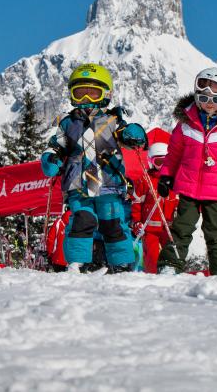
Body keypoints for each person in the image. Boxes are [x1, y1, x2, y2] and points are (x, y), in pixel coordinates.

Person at [40, 63, 147, 273]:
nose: (86, 100)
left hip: (109, 182)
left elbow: (132, 137)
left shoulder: (113, 120)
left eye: (92, 93)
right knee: (81, 220)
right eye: (79, 94)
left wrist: (134, 134)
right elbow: (56, 146)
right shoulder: (67, 123)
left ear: (105, 94)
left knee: (113, 223)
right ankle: (77, 263)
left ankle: (122, 264)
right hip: (78, 184)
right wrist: (51, 159)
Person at [156, 67, 217, 276]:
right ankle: (170, 265)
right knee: (182, 226)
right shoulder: (186, 123)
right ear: (196, 96)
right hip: (188, 186)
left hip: (216, 190)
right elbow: (173, 154)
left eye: (216, 100)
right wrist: (166, 175)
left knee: (215, 231)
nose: (209, 103)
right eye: (204, 97)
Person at [131, 142, 178, 274]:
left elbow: (178, 202)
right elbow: (136, 202)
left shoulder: (174, 180)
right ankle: (151, 275)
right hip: (150, 228)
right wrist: (137, 222)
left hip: (169, 226)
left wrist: (178, 215)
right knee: (152, 255)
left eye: (166, 161)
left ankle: (172, 274)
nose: (162, 165)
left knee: (171, 253)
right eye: (158, 162)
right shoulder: (145, 180)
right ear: (151, 162)